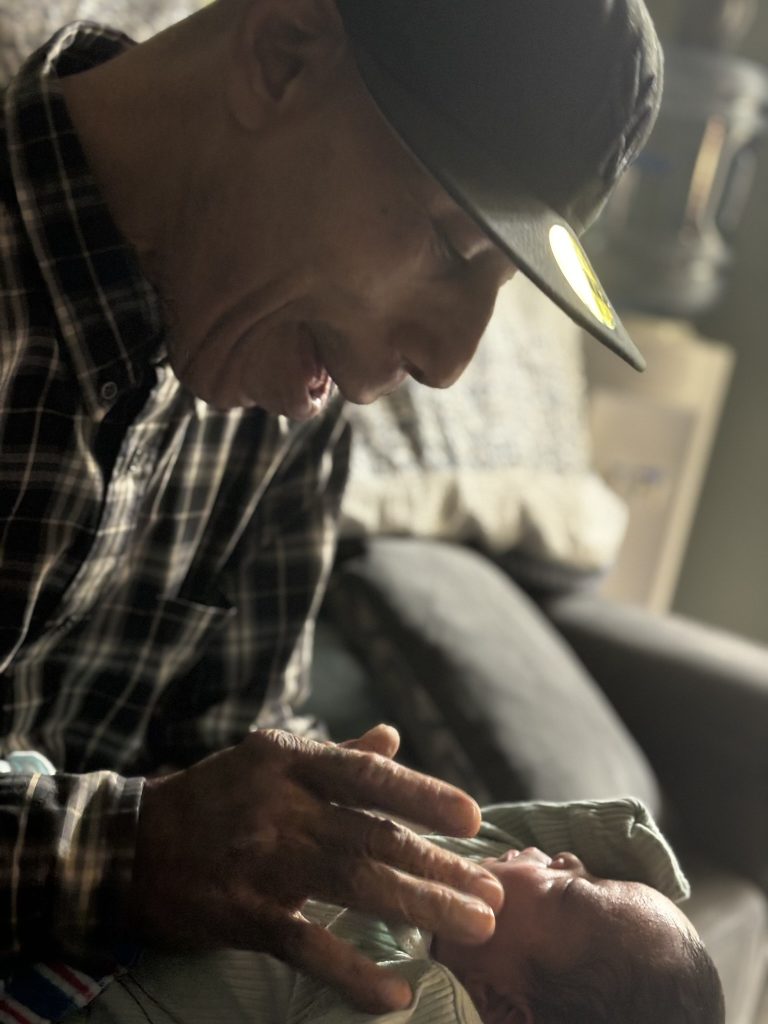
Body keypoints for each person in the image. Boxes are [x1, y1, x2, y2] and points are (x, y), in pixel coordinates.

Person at [0, 0, 663, 1018]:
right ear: (282, 56)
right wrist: (129, 855)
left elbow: (238, 764)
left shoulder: (282, 413)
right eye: (449, 247)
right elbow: (164, 841)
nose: (448, 364)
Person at [64, 797, 726, 1024]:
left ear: (503, 1008)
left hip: (93, 980)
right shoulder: (465, 885)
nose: (567, 857)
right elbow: (505, 827)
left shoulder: (420, 1003)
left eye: (568, 885)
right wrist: (642, 881)